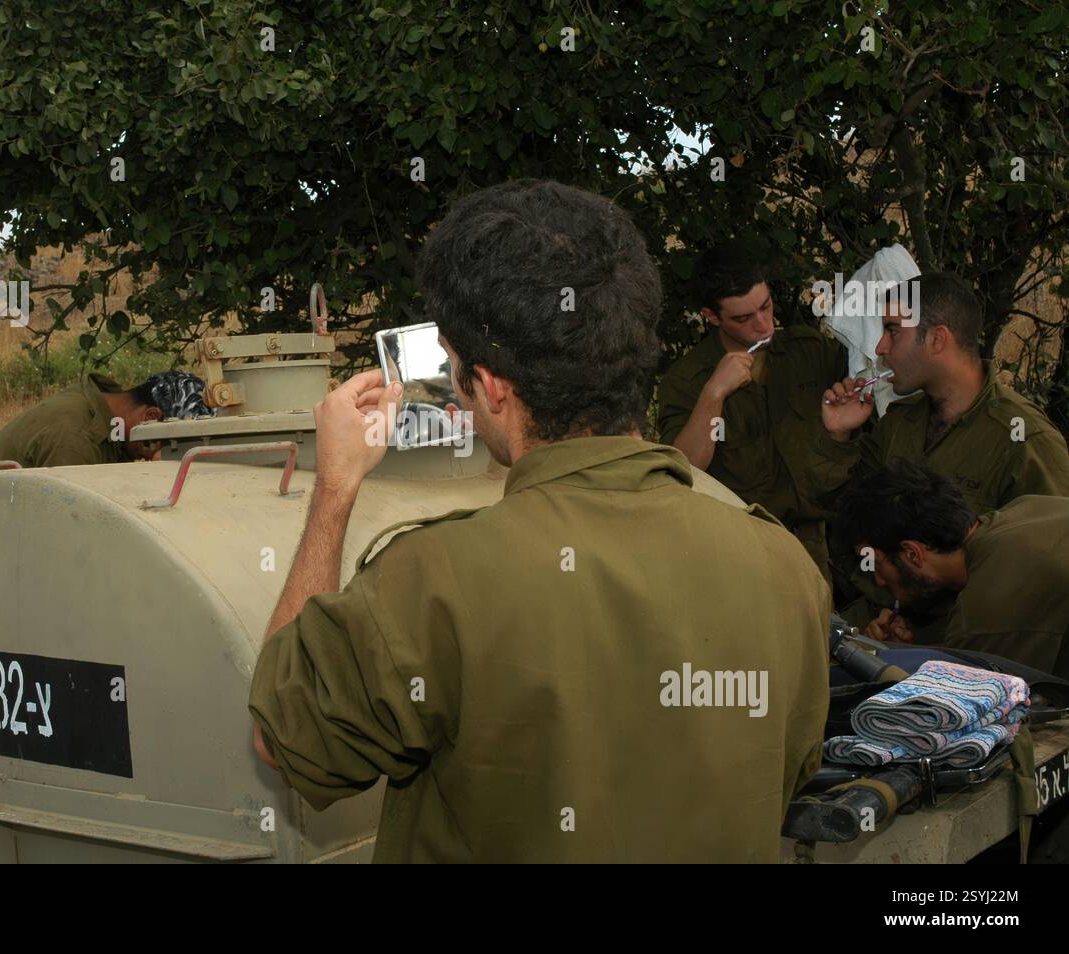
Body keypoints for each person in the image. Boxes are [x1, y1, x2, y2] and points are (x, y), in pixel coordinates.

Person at [246, 180, 831, 863]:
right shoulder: (784, 566)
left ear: (492, 385)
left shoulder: (433, 581)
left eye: (458, 366)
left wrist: (335, 490)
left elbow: (286, 735)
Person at [814, 272, 1069, 634]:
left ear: (936, 339)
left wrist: (934, 637)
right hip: (869, 621)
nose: (880, 348)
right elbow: (842, 511)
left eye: (892, 331)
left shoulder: (1026, 439)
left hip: (963, 647)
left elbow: (1047, 578)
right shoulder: (900, 422)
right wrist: (839, 436)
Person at [658, 241, 847, 577]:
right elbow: (682, 471)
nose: (763, 325)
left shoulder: (809, 351)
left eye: (766, 306)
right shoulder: (688, 379)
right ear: (711, 317)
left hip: (817, 546)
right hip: (738, 550)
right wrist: (714, 394)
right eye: (744, 318)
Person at [835, 458, 1069, 679]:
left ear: (912, 554)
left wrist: (891, 657)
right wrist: (912, 649)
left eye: (876, 564)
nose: (879, 580)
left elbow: (963, 697)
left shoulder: (992, 596)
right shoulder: (1024, 510)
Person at [0, 369, 211, 467]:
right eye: (169, 445)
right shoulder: (76, 439)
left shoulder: (111, 421)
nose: (157, 457)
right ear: (150, 417)